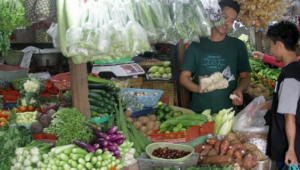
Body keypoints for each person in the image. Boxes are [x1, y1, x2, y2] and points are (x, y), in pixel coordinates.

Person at [180, 0, 251, 114]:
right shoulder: (196, 45)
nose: (227, 23)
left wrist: (239, 90)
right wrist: (199, 88)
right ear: (215, 15)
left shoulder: (238, 46)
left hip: (228, 114)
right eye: (225, 17)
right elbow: (184, 78)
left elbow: (245, 77)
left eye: (232, 20)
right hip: (200, 112)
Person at [259, 21, 300, 169]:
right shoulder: (295, 70)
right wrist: (261, 106)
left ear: (279, 44)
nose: (270, 50)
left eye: (270, 45)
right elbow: (288, 101)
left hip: (291, 153)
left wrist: (291, 149)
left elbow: (290, 115)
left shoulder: (289, 76)